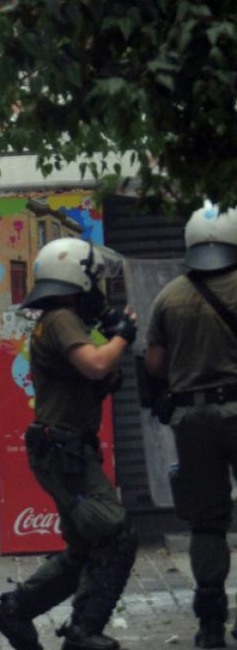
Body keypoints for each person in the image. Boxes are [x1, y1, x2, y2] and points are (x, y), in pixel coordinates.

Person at [0, 238, 137, 650]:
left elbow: (95, 377)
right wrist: (121, 336)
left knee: (84, 549)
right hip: (65, 454)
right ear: (76, 282)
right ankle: (84, 630)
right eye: (93, 284)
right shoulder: (62, 318)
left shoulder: (60, 320)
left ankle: (15, 610)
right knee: (116, 534)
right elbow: (96, 363)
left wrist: (108, 343)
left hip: (63, 451)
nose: (98, 294)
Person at [145, 203, 237, 648]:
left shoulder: (169, 295)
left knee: (206, 524)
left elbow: (155, 364)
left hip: (192, 421)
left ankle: (211, 626)